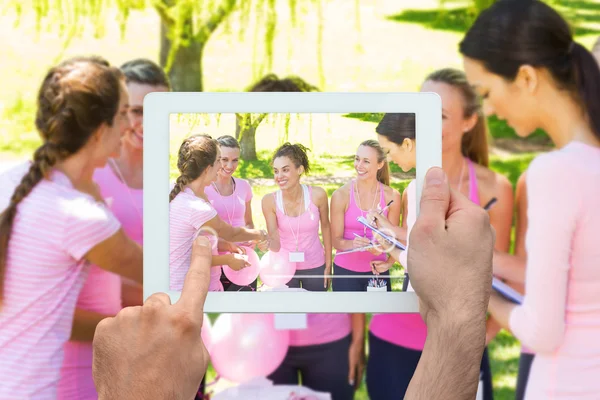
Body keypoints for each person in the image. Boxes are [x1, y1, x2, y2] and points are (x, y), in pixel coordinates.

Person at [92, 167, 495, 400]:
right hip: (266, 342)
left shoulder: (322, 196)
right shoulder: (264, 201)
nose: (279, 174)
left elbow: (330, 248)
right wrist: (458, 321)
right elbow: (268, 249)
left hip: (328, 335)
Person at [460, 0, 600, 398]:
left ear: (525, 77)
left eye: (486, 92)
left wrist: (478, 289)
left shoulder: (555, 172)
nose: (488, 109)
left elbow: (542, 330)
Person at [367, 68, 514, 400]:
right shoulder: (411, 187)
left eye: (441, 114)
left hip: (462, 347)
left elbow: (498, 278)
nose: (427, 122)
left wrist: (473, 341)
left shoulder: (495, 189)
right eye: (423, 108)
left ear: (469, 121)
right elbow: (417, 251)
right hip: (393, 339)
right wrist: (390, 235)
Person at [0, 58, 143, 399]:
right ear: (98, 130)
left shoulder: (10, 183)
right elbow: (159, 271)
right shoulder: (80, 216)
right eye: (123, 113)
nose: (129, 126)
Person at [56, 58, 171, 400]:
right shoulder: (87, 175)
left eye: (158, 109)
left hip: (160, 346)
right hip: (92, 351)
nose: (146, 122)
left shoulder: (175, 181)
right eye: (136, 110)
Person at [261, 142, 361, 399]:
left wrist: (328, 263)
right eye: (275, 171)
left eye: (285, 170)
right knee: (290, 323)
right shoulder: (269, 201)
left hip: (315, 264)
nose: (279, 176)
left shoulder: (316, 195)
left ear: (300, 170)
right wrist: (262, 242)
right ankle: (290, 367)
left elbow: (326, 228)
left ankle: (320, 365)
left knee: (316, 318)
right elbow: (273, 240)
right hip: (285, 270)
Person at [169, 134, 267, 292]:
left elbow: (193, 244)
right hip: (190, 291)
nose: (223, 167)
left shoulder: (175, 192)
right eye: (219, 161)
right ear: (208, 168)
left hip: (191, 287)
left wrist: (226, 246)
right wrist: (259, 234)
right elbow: (231, 234)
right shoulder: (197, 208)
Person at [330, 140, 401, 292]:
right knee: (348, 317)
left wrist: (385, 254)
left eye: (366, 161)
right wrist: (353, 244)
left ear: (380, 164)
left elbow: (394, 238)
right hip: (345, 272)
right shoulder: (341, 195)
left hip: (377, 271)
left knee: (381, 316)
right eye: (357, 159)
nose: (359, 165)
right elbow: (335, 241)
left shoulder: (392, 196)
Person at [204, 135, 259, 291]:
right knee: (218, 314)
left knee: (245, 312)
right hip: (218, 261)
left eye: (235, 160)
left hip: (244, 260)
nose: (230, 165)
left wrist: (251, 238)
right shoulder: (204, 189)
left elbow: (248, 222)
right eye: (224, 159)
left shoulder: (244, 186)